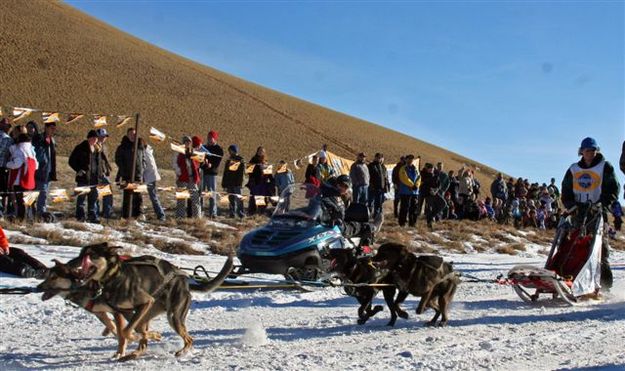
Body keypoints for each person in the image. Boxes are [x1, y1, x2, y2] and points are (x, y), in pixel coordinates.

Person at [561, 137, 620, 289]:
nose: (591, 153)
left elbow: (613, 189)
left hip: (597, 212)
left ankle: (605, 286)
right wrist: (570, 205)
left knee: (600, 249)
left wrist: (603, 204)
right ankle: (574, 281)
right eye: (588, 151)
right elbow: (566, 190)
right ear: (582, 152)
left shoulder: (605, 167)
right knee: (575, 246)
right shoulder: (574, 169)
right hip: (578, 212)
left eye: (593, 150)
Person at [316, 175, 382, 244]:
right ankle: (373, 228)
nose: (343, 188)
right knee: (357, 226)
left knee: (355, 221)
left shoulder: (332, 193)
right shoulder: (329, 195)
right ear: (337, 184)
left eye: (346, 187)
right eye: (341, 185)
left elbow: (343, 209)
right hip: (334, 227)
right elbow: (329, 211)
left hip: (333, 223)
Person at [68, 130, 103, 223]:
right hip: (83, 178)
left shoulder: (97, 149)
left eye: (96, 138)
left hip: (95, 179)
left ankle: (92, 216)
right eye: (94, 138)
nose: (96, 140)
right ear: (89, 138)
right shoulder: (80, 148)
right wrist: (78, 169)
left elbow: (99, 164)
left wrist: (100, 175)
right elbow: (71, 161)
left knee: (93, 200)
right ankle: (80, 217)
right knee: (81, 199)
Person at [6, 133, 38, 220]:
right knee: (29, 202)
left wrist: (8, 164)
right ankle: (31, 219)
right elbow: (36, 165)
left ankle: (21, 219)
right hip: (30, 181)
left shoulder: (19, 150)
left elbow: (16, 164)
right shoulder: (31, 151)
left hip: (20, 181)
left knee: (21, 202)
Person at [115, 128, 144, 219]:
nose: (133, 136)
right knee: (127, 196)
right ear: (127, 135)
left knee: (138, 196)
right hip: (126, 175)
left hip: (137, 175)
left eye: (134, 134)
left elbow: (142, 159)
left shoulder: (140, 146)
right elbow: (118, 160)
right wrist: (124, 170)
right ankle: (126, 215)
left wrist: (142, 169)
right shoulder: (122, 147)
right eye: (131, 134)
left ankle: (137, 214)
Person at [32, 121, 57, 220]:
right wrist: (44, 162)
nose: (53, 130)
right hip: (39, 171)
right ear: (46, 127)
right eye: (51, 128)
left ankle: (41, 215)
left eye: (54, 128)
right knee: (34, 195)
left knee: (43, 195)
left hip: (48, 172)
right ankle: (32, 214)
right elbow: (38, 153)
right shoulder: (39, 138)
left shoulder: (52, 140)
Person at [174, 136, 201, 219]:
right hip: (182, 179)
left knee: (195, 198)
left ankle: (197, 217)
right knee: (181, 199)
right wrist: (179, 172)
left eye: (189, 142)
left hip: (192, 178)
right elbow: (174, 164)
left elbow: (198, 163)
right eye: (186, 141)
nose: (188, 143)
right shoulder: (178, 152)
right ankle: (180, 217)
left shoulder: (193, 152)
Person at [201, 130, 223, 218]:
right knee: (201, 193)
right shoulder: (203, 147)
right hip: (202, 172)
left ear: (214, 139)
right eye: (208, 137)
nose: (209, 139)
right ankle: (200, 211)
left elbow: (217, 161)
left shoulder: (219, 149)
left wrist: (211, 165)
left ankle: (213, 213)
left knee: (212, 193)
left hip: (212, 174)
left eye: (211, 138)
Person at [247, 146, 274, 215]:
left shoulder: (265, 161)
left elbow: (269, 173)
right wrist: (252, 178)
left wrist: (272, 180)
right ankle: (251, 212)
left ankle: (260, 212)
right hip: (255, 182)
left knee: (262, 198)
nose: (261, 152)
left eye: (262, 151)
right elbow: (249, 170)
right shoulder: (253, 160)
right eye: (260, 151)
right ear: (257, 151)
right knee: (254, 197)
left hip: (264, 183)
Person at [143, 141, 166, 221]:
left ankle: (160, 214)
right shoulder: (149, 151)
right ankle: (160, 214)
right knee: (153, 196)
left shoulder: (144, 153)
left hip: (149, 177)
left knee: (153, 196)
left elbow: (145, 165)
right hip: (152, 176)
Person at [222, 144, 246, 219]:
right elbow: (225, 172)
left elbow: (243, 173)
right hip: (229, 183)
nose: (230, 152)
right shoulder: (229, 160)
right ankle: (232, 213)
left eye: (231, 150)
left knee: (239, 199)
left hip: (237, 183)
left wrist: (241, 182)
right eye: (229, 151)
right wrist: (224, 183)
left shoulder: (241, 160)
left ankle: (241, 213)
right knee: (231, 199)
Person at [95, 128, 114, 219]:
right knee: (98, 194)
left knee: (105, 193)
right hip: (96, 174)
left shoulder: (104, 146)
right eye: (101, 136)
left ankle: (106, 212)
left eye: (105, 136)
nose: (103, 138)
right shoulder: (93, 146)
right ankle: (99, 212)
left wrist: (107, 170)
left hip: (103, 173)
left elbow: (105, 160)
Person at [397, 154, 420, 227]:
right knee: (404, 208)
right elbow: (403, 178)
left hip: (414, 192)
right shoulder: (403, 168)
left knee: (414, 208)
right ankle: (402, 223)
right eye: (409, 159)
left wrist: (416, 185)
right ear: (406, 160)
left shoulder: (416, 169)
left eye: (412, 159)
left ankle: (412, 223)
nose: (410, 160)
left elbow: (419, 178)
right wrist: (411, 185)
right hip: (405, 191)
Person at [367, 153, 389, 218]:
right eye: (378, 158)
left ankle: (377, 216)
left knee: (379, 203)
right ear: (375, 158)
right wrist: (371, 185)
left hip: (381, 188)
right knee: (370, 203)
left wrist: (386, 187)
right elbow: (368, 177)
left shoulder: (383, 167)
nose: (380, 159)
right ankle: (368, 216)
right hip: (373, 187)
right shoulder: (371, 166)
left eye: (381, 158)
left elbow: (385, 178)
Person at [0, 118, 14, 216]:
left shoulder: (9, 138)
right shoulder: (7, 139)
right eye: (7, 125)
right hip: (3, 167)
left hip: (4, 167)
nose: (8, 128)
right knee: (3, 190)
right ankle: (2, 211)